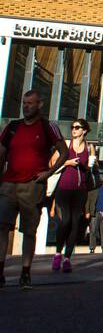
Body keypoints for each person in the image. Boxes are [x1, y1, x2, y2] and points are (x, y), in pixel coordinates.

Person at [0, 90, 67, 288]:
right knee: (2, 227)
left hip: (32, 186)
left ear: (40, 104)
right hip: (9, 185)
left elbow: (64, 152)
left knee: (29, 231)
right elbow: (1, 154)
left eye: (30, 103)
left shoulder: (48, 127)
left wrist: (49, 172)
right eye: (24, 102)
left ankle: (25, 272)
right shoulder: (12, 127)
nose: (26, 106)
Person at [52, 118, 93, 272]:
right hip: (63, 189)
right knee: (65, 221)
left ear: (84, 130)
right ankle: (57, 253)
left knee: (75, 224)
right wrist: (67, 163)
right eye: (72, 127)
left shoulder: (90, 147)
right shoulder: (66, 144)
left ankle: (67, 258)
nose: (74, 129)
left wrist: (92, 165)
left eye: (77, 127)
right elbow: (52, 163)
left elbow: (90, 169)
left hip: (80, 191)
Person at [89, 181, 103, 252]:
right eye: (102, 182)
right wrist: (87, 211)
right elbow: (89, 201)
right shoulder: (94, 191)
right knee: (93, 230)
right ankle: (92, 247)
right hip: (96, 213)